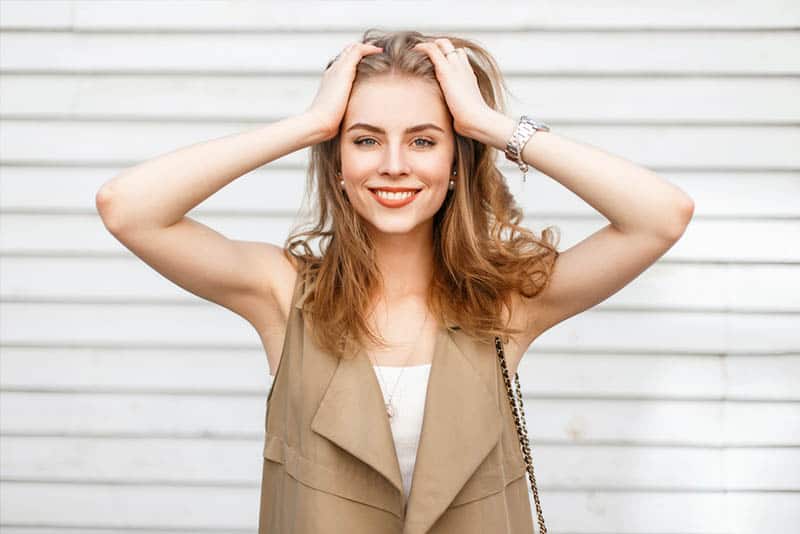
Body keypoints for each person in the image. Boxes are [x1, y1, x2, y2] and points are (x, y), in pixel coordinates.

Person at [96, 29, 694, 534]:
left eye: (424, 141)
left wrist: (490, 124)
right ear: (338, 162)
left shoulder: (505, 302)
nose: (393, 165)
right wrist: (309, 125)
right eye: (365, 140)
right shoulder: (284, 295)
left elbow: (662, 216)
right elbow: (127, 207)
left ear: (458, 162)